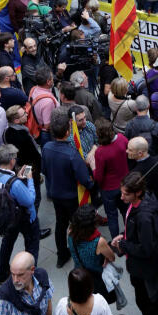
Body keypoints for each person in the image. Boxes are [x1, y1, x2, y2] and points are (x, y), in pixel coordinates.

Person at [111, 172, 158, 315]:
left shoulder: (143, 216)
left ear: (137, 192)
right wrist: (125, 235)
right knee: (154, 292)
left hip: (143, 267)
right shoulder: (141, 205)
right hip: (147, 265)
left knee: (144, 302)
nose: (122, 197)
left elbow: (145, 249)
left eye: (126, 194)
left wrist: (124, 244)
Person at [41, 113, 94, 268]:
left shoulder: (46, 148)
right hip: (72, 196)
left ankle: (62, 254)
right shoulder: (72, 154)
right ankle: (85, 253)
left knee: (60, 223)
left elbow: (44, 169)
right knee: (79, 224)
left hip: (56, 193)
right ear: (67, 133)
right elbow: (85, 179)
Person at [0, 144, 41, 284]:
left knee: (7, 243)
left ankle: (3, 273)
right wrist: (28, 179)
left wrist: (16, 177)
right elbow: (29, 200)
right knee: (32, 243)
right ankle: (29, 274)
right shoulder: (15, 184)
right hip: (24, 218)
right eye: (15, 158)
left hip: (5, 218)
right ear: (11, 161)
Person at [67, 204, 117, 304]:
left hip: (79, 275)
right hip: (96, 279)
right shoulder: (99, 242)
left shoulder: (70, 232)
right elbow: (112, 257)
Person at [93, 118, 129, 239]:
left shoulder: (100, 152)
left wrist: (93, 168)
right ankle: (129, 234)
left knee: (112, 216)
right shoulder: (122, 139)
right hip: (124, 183)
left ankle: (116, 241)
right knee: (126, 212)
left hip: (108, 190)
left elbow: (99, 176)